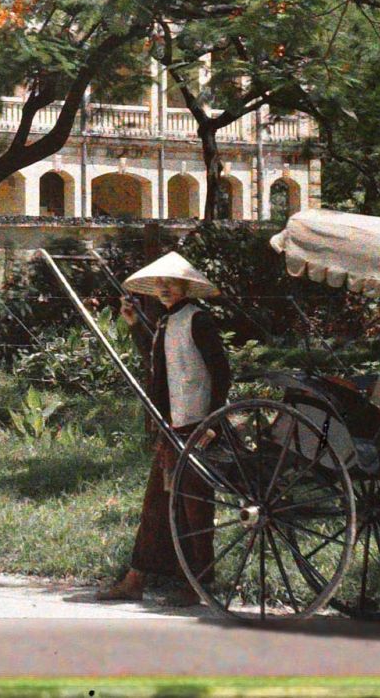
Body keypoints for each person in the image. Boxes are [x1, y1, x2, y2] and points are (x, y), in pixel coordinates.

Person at [93, 251, 230, 607]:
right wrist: (135, 325)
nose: (165, 288)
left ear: (186, 286)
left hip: (197, 427)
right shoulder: (167, 322)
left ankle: (197, 584)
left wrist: (213, 422)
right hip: (171, 429)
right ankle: (136, 579)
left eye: (171, 283)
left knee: (195, 509)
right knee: (156, 506)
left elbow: (222, 372)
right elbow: (159, 362)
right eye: (160, 283)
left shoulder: (198, 320)